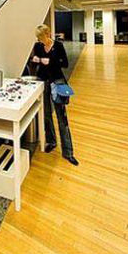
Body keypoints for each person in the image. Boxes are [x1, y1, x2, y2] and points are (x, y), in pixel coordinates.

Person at [30, 24, 78, 166]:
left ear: (48, 34)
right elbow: (33, 61)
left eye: (41, 37)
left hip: (57, 82)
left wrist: (51, 61)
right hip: (43, 82)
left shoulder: (58, 46)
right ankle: (51, 141)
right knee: (46, 114)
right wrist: (35, 60)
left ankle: (68, 152)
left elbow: (65, 63)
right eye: (38, 38)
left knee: (61, 117)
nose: (39, 40)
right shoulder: (38, 46)